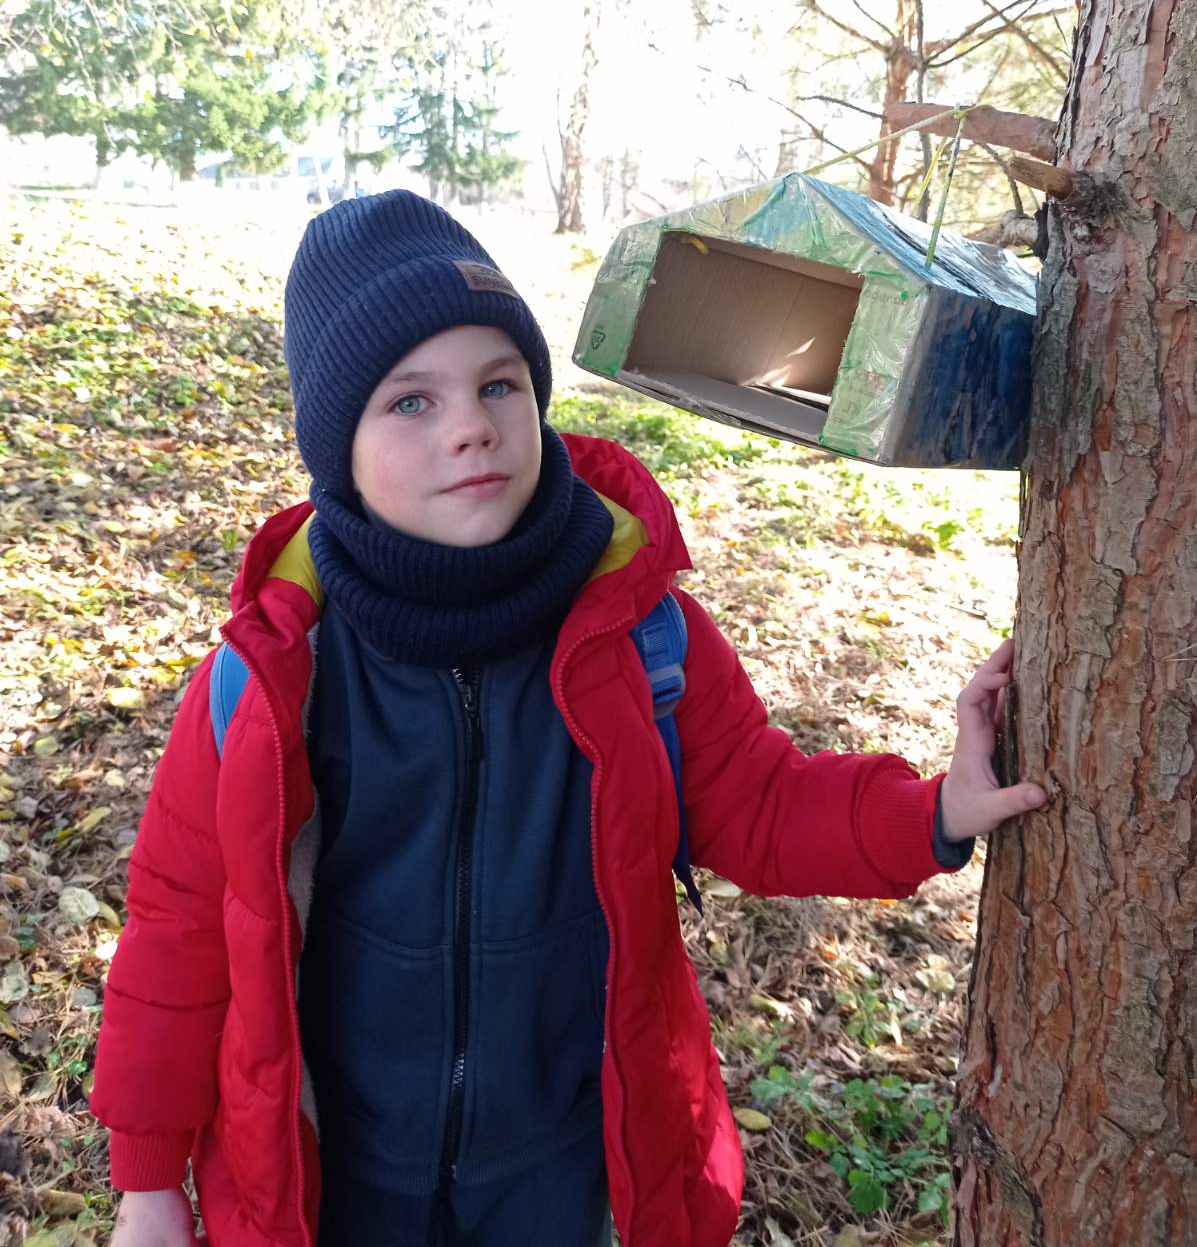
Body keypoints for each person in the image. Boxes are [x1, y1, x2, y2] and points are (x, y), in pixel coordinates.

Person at [92, 191, 1048, 1247]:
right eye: (409, 402)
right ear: (336, 449)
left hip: (562, 1172)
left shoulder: (637, 634)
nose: (470, 425)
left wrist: (934, 812)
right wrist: (149, 1183)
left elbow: (759, 802)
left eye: (498, 384)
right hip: (339, 1178)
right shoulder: (272, 679)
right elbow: (178, 931)